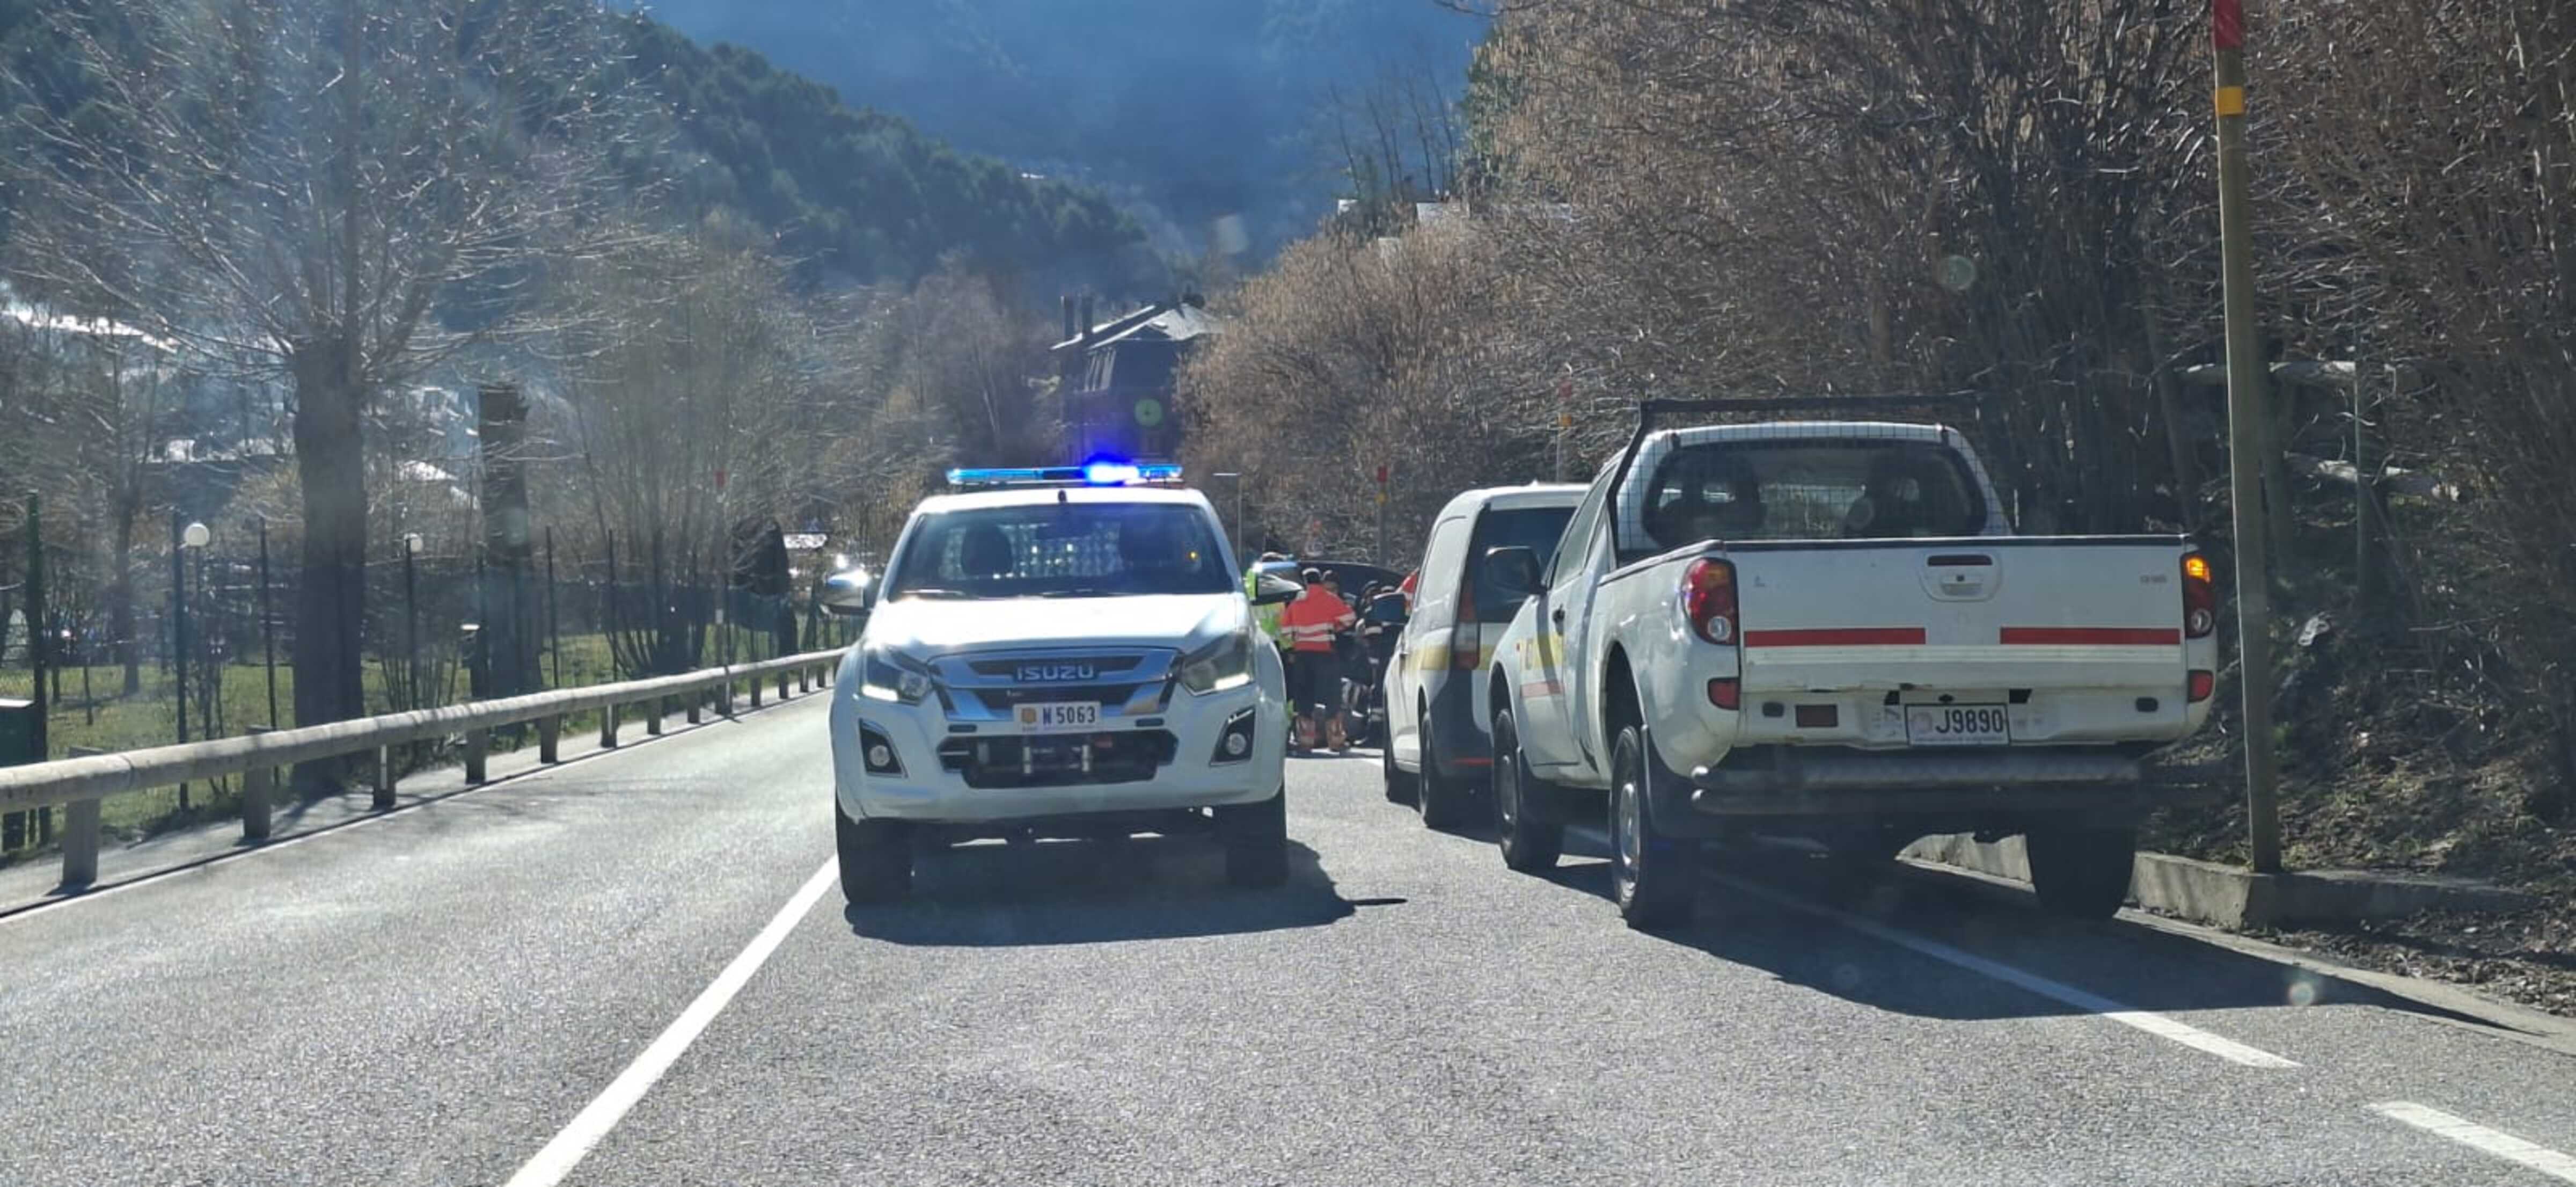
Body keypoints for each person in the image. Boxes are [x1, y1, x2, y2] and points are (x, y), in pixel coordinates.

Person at [1278, 566, 1357, 750]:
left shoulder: (1296, 602)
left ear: (1304, 583)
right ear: (1320, 581)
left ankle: (1306, 741)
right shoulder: (1330, 599)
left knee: (1304, 697)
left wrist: (1294, 644)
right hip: (1326, 654)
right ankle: (1336, 740)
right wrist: (1334, 627)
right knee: (1332, 697)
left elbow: (1285, 631)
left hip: (1302, 655)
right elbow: (1350, 618)